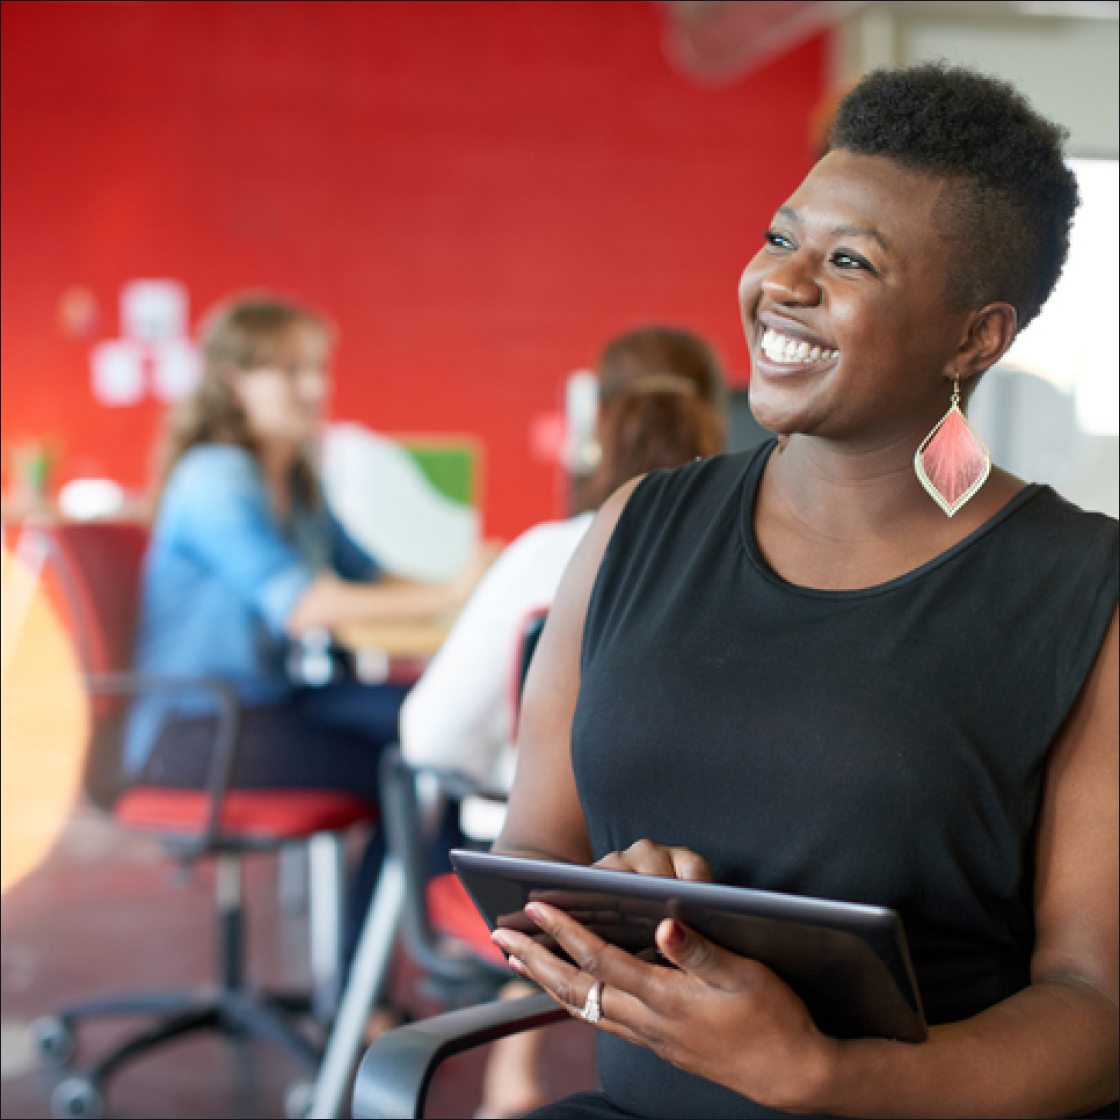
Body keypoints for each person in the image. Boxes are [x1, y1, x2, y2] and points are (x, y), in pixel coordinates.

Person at [487, 63, 1119, 1119]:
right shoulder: (635, 526)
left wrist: (824, 1075)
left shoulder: (1082, 592)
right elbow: (529, 859)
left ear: (975, 337)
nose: (783, 283)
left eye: (850, 261)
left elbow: (1096, 1009)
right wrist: (617, 903)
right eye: (782, 239)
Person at [398, 325, 726, 1118]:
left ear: (600, 423)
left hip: (543, 876)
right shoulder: (752, 565)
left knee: (484, 805)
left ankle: (480, 1063)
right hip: (708, 881)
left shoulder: (547, 554)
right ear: (719, 421)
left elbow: (428, 737)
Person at [123, 293, 485, 968]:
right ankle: (380, 979)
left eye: (317, 368)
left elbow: (370, 580)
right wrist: (452, 592)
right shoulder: (216, 477)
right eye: (289, 371)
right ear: (234, 382)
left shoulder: (295, 476)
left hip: (269, 704)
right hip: (200, 731)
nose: (314, 387)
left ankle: (425, 951)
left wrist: (475, 584)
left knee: (440, 721)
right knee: (413, 766)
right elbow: (304, 606)